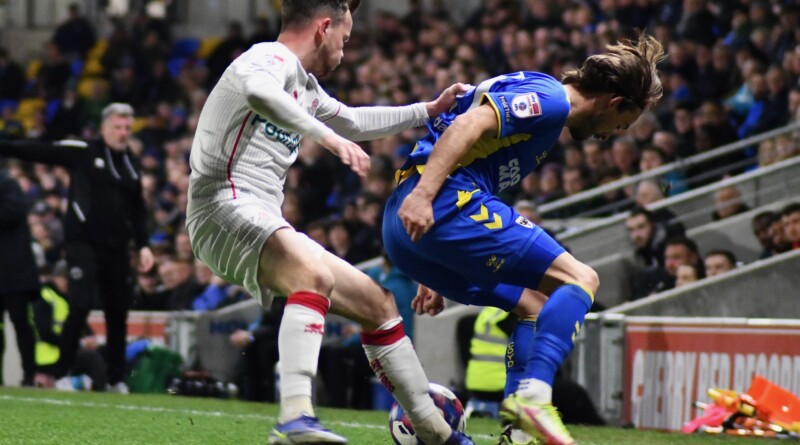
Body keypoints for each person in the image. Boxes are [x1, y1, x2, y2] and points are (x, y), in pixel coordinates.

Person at [185, 1, 472, 444]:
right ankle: (295, 416)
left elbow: (353, 120)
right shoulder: (268, 59)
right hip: (220, 204)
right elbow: (260, 94)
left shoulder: (306, 86)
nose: (344, 48)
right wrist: (327, 138)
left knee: (378, 304)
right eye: (345, 37)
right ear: (324, 29)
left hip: (258, 213)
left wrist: (429, 110)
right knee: (312, 275)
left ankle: (436, 432)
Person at [383, 34, 665, 445]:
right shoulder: (550, 101)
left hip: (409, 226)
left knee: (533, 304)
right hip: (441, 202)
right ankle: (534, 397)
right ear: (614, 102)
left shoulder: (540, 97)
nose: (610, 135)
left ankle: (518, 434)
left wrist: (434, 259)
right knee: (581, 278)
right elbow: (467, 124)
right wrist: (426, 196)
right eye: (621, 124)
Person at [0, 103, 154, 394]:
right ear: (104, 128)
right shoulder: (84, 150)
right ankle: (62, 373)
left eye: (127, 128)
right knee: (80, 304)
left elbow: (138, 210)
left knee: (117, 310)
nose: (123, 133)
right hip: (83, 242)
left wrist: (144, 244)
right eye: (117, 127)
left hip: (118, 247)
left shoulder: (131, 164)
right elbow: (42, 151)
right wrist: (5, 146)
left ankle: (116, 378)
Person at [34, 260, 108, 391]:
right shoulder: (45, 297)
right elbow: (45, 333)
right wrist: (77, 343)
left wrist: (90, 339)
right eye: (64, 278)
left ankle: (107, 384)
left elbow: (83, 327)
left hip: (67, 353)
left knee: (104, 351)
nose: (68, 283)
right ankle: (101, 389)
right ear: (55, 277)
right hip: (50, 357)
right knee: (91, 358)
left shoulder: (69, 300)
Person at [0, 168, 39, 386]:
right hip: (11, 272)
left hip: (15, 273)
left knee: (21, 323)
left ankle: (29, 375)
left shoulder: (7, 184)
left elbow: (14, 210)